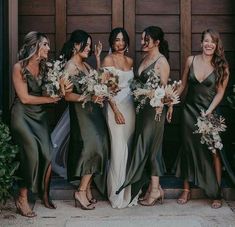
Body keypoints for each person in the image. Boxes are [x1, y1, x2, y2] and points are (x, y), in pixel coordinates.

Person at [174, 28, 233, 209]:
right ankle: (186, 189)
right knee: (187, 149)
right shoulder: (190, 60)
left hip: (209, 113)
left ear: (216, 45)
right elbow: (183, 84)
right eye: (206, 41)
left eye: (212, 42)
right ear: (201, 43)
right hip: (188, 112)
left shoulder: (222, 66)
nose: (209, 44)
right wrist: (168, 99)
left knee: (213, 152)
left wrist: (208, 111)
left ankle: (215, 193)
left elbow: (220, 93)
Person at [117, 26, 172, 206]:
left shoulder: (161, 62)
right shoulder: (145, 58)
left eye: (145, 40)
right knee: (145, 146)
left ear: (156, 42)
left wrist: (165, 108)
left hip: (155, 112)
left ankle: (155, 190)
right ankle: (153, 187)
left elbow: (165, 91)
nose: (142, 43)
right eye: (142, 39)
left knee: (151, 148)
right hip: (142, 111)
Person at [11, 31, 61, 217]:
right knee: (31, 152)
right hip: (22, 116)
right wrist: (49, 100)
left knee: (47, 153)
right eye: (45, 44)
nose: (49, 48)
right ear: (35, 47)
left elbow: (54, 86)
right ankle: (22, 198)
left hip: (39, 117)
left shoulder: (47, 67)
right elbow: (24, 98)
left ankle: (44, 194)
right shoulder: (19, 67)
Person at [62, 29, 110, 210]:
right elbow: (67, 96)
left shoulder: (85, 65)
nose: (88, 49)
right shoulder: (70, 67)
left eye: (90, 46)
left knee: (102, 144)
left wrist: (97, 58)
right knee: (93, 147)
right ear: (75, 45)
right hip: (82, 114)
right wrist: (89, 97)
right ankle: (80, 191)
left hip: (93, 113)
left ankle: (88, 188)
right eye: (86, 45)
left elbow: (96, 80)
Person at [101, 28, 136, 208]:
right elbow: (106, 89)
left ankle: (128, 192)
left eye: (122, 40)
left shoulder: (130, 61)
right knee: (118, 148)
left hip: (130, 108)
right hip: (115, 108)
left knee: (128, 148)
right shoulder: (108, 60)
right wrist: (115, 110)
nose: (120, 43)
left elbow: (133, 86)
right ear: (111, 42)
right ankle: (116, 193)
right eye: (116, 40)